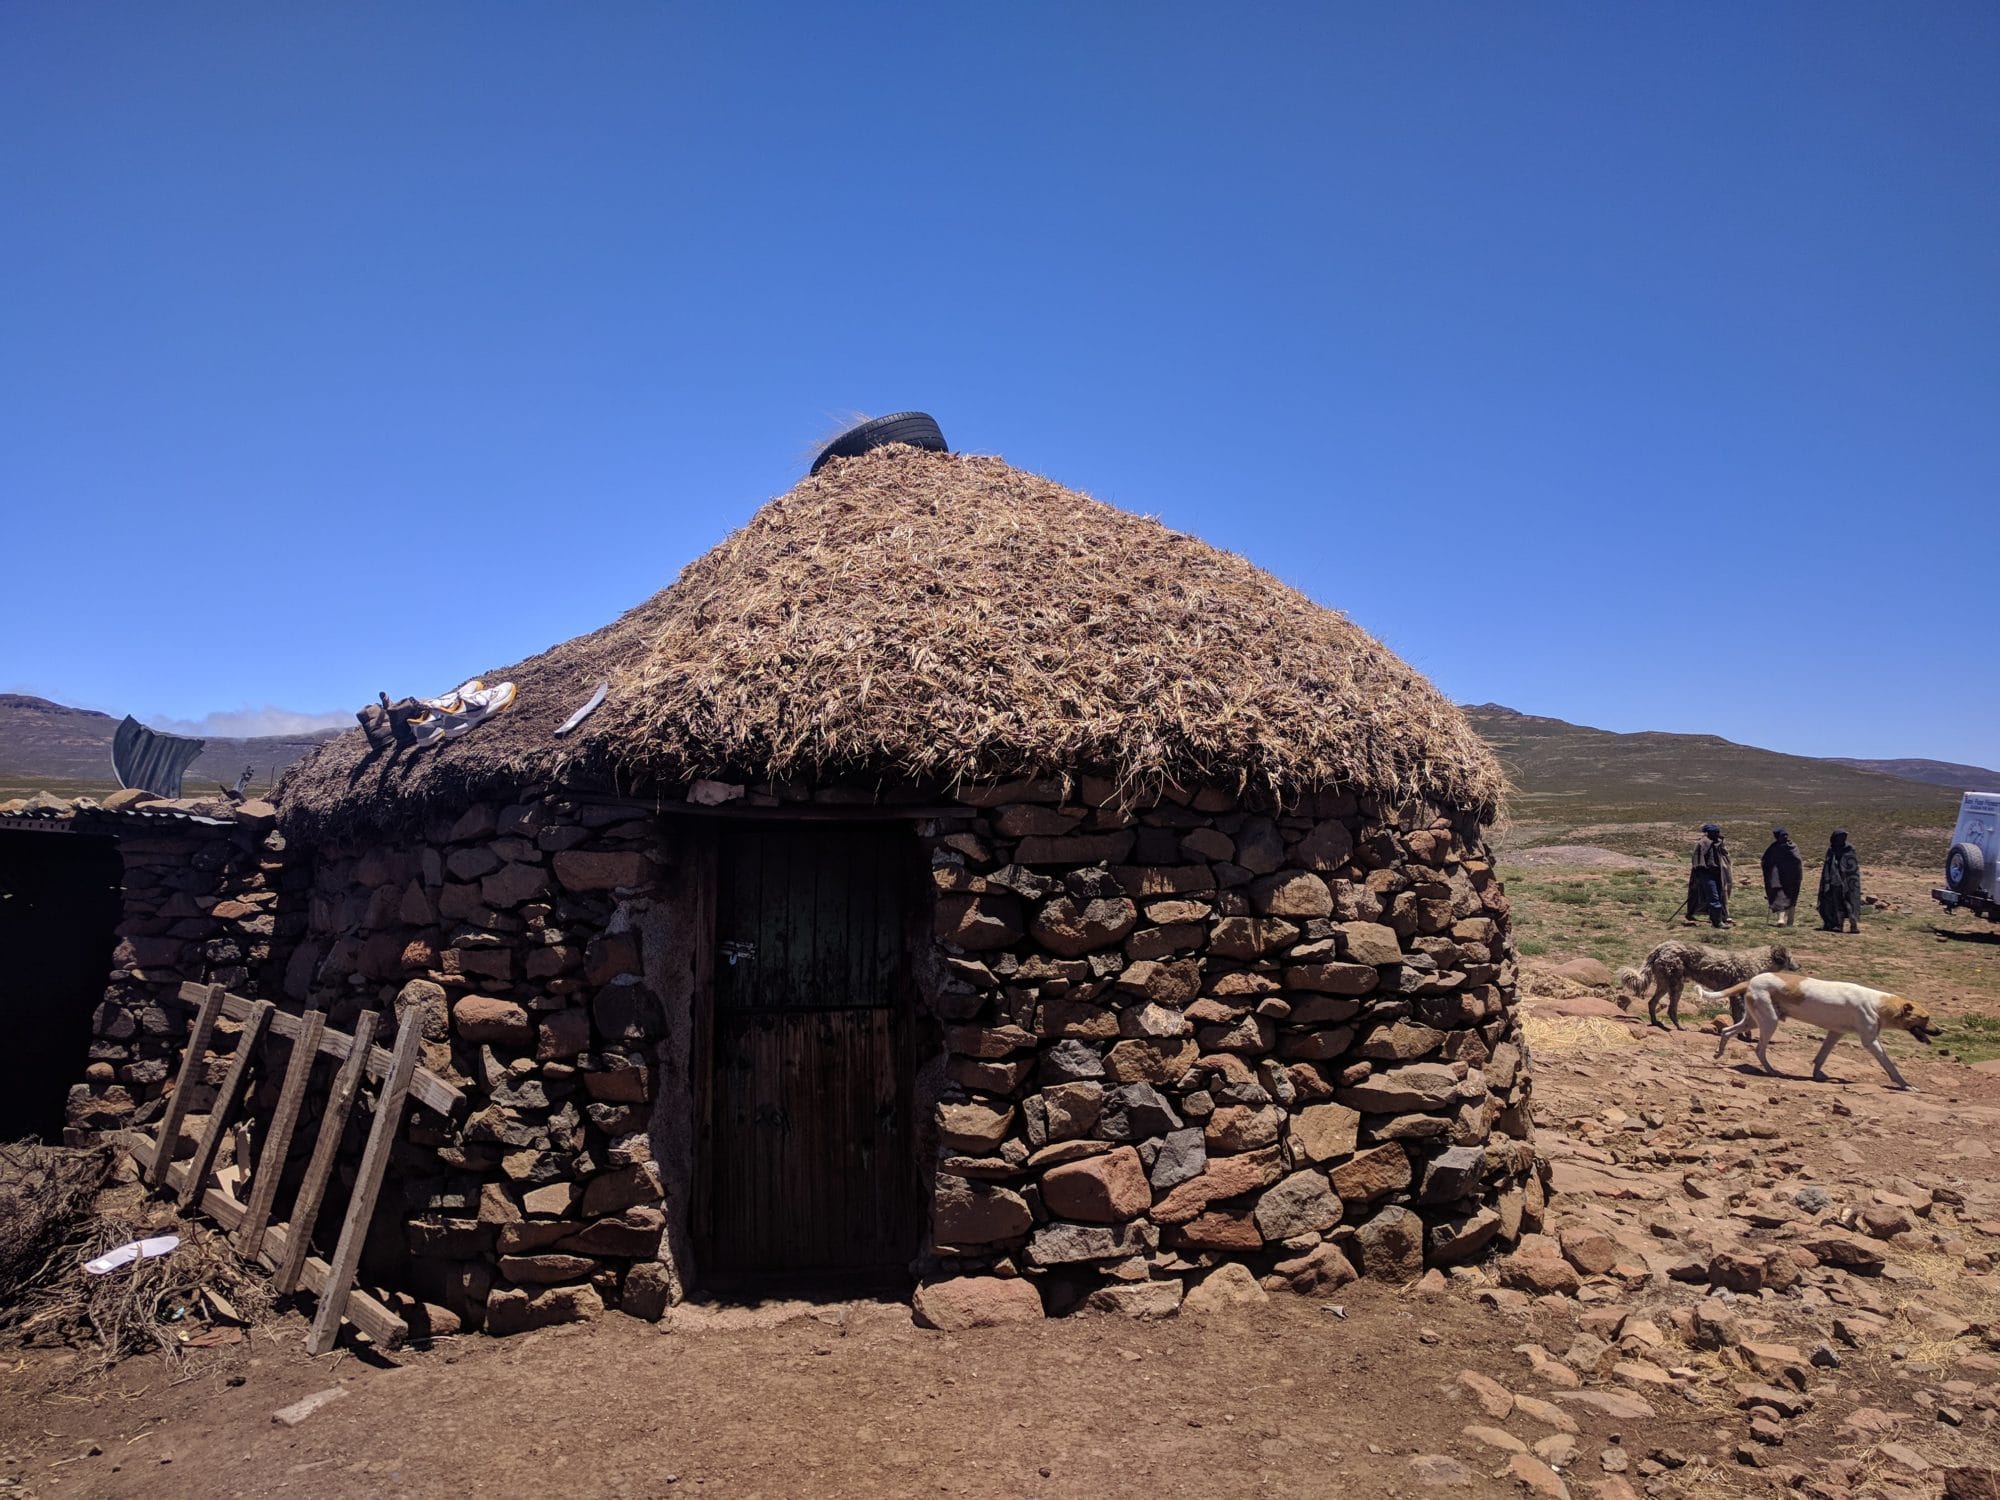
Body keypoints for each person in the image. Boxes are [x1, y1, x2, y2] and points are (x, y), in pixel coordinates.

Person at [1685, 823, 1733, 928]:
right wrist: (1700, 875)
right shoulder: (1702, 844)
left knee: (1720, 896)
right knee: (1713, 897)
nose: (1717, 834)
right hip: (1706, 874)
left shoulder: (1719, 843)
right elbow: (1697, 861)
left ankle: (1717, 918)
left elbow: (1724, 857)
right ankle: (1717, 923)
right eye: (1715, 832)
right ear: (1709, 833)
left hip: (1719, 874)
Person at [1818, 829, 1863, 933]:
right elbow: (1828, 866)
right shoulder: (1831, 850)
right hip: (1835, 882)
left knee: (1850, 903)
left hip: (1849, 881)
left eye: (1844, 837)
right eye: (1840, 837)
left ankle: (1853, 925)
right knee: (1836, 903)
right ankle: (1838, 924)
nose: (1842, 839)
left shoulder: (1849, 849)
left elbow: (1852, 866)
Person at [1761, 827, 1803, 926]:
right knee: (1779, 897)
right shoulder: (1773, 848)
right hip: (1777, 877)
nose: (1785, 837)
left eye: (1786, 835)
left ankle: (1790, 921)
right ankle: (1781, 919)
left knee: (1791, 897)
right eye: (1782, 835)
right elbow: (1765, 861)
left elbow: (1798, 861)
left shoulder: (1792, 846)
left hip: (1791, 877)